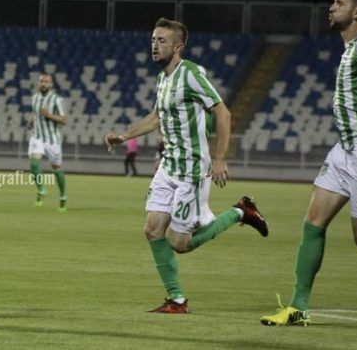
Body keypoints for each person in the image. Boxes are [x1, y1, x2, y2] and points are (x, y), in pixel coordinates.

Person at [105, 17, 269, 314]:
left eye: (162, 41)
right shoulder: (162, 79)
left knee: (180, 244)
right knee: (152, 230)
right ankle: (176, 300)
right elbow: (157, 116)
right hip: (169, 165)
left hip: (192, 168)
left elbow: (223, 112)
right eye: (153, 39)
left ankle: (240, 212)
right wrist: (124, 136)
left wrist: (219, 158)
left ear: (178, 47)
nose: (155, 45)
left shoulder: (191, 74)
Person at [260, 0, 357, 326]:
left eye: (339, 2)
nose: (331, 7)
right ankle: (298, 308)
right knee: (313, 223)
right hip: (344, 151)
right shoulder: (351, 47)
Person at [27, 72, 68, 212]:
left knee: (56, 168)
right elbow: (34, 113)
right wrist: (31, 122)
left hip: (52, 140)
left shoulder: (57, 100)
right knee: (34, 162)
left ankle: (63, 196)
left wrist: (49, 115)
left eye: (46, 81)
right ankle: (41, 189)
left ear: (51, 84)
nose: (43, 84)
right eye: (41, 81)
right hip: (37, 137)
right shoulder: (35, 98)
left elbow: (64, 120)